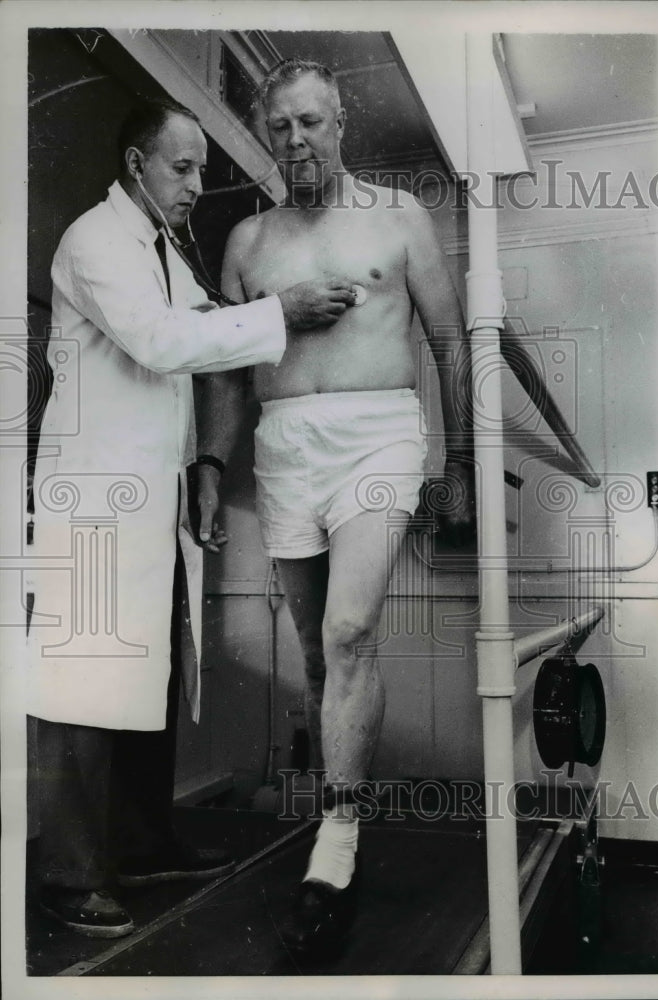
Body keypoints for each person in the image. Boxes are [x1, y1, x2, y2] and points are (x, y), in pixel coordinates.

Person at [26, 95, 357, 939]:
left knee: (151, 673)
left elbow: (203, 344)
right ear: (136, 164)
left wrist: (206, 469)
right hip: (92, 503)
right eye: (182, 168)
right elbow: (163, 343)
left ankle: (140, 846)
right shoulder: (96, 241)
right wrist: (279, 310)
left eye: (201, 169)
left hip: (152, 500)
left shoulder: (166, 255)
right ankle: (68, 875)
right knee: (82, 683)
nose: (197, 185)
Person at [202, 60, 476, 955]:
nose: (296, 141)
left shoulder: (398, 217)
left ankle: (339, 840)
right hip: (285, 445)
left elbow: (449, 342)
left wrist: (460, 463)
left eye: (311, 122)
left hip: (377, 435)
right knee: (320, 654)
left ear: (341, 122)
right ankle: (339, 811)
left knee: (351, 630)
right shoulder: (248, 240)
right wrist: (210, 463)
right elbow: (228, 371)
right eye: (280, 127)